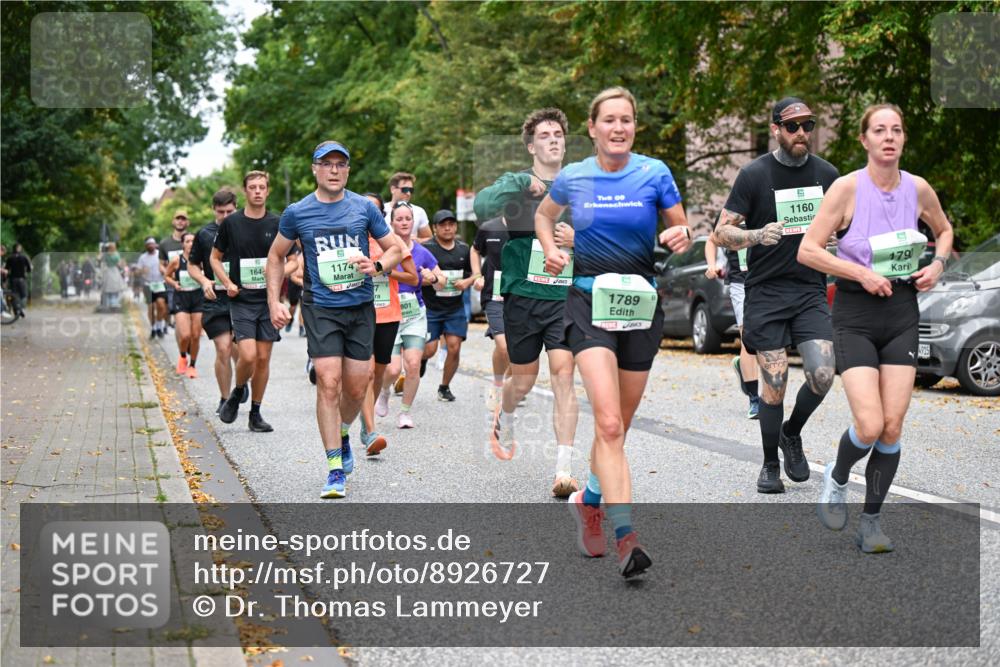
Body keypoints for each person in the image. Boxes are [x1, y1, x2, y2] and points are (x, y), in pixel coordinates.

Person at [537, 87, 691, 577]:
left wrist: (680, 235)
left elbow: (680, 228)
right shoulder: (574, 177)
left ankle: (590, 499)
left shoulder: (655, 173)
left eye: (626, 120)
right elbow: (544, 217)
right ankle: (627, 539)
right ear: (593, 126)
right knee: (607, 424)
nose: (618, 128)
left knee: (618, 427)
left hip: (640, 304)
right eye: (609, 120)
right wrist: (552, 249)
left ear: (634, 127)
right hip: (587, 302)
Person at [799, 104, 953, 553]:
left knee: (892, 425)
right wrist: (859, 272)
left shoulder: (918, 189)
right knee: (868, 424)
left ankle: (871, 522)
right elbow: (808, 250)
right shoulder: (846, 189)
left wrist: (939, 264)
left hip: (902, 310)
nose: (889, 137)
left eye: (897, 130)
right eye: (879, 130)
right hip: (855, 313)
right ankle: (838, 475)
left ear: (904, 140)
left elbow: (943, 231)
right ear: (864, 140)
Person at [713, 97, 840, 494]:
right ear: (775, 130)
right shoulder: (754, 175)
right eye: (792, 126)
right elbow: (721, 232)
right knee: (775, 382)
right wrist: (755, 235)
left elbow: (846, 226)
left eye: (807, 125)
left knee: (822, 373)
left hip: (809, 289)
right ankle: (769, 464)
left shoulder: (828, 175)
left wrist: (839, 240)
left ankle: (791, 433)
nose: (801, 133)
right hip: (766, 291)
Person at [267, 141, 402, 499]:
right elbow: (276, 256)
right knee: (329, 382)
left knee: (357, 388)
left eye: (340, 164)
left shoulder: (362, 208)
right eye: (326, 163)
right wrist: (275, 301)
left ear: (347, 171)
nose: (333, 170)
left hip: (359, 307)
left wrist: (375, 267)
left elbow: (396, 249)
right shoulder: (297, 212)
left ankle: (344, 431)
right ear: (314, 168)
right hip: (321, 307)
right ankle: (334, 469)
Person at [473, 107, 582, 496]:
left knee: (564, 376)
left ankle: (563, 470)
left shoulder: (581, 184)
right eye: (545, 134)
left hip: (566, 296)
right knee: (523, 380)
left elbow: (605, 236)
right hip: (523, 294)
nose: (554, 139)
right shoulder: (516, 182)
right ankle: (506, 409)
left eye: (559, 133)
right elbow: (483, 208)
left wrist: (576, 240)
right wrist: (522, 182)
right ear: (531, 144)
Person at [213, 171, 296, 432]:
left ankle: (255, 413)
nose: (258, 191)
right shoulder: (231, 224)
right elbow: (215, 258)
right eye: (253, 187)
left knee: (262, 359)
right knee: (247, 355)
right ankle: (238, 392)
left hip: (269, 302)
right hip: (242, 300)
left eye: (262, 187)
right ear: (246, 192)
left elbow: (294, 259)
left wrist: (278, 272)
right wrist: (227, 283)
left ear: (268, 191)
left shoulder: (278, 223)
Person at [358, 193, 418, 451]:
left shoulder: (390, 241)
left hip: (388, 313)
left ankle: (364, 419)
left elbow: (413, 277)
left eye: (373, 209)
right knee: (367, 372)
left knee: (381, 373)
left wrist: (383, 269)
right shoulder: (351, 239)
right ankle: (370, 430)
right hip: (359, 314)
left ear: (380, 214)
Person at [378, 202, 446, 428]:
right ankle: (385, 391)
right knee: (393, 369)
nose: (405, 222)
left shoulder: (422, 252)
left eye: (408, 218)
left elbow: (442, 282)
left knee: (414, 364)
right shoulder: (384, 250)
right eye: (400, 219)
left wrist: (433, 278)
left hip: (415, 315)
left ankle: (405, 412)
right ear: (392, 223)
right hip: (390, 314)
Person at [187, 190, 247, 414]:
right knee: (223, 348)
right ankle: (225, 398)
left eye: (229, 211)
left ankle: (242, 381)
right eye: (220, 212)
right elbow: (192, 265)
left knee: (242, 352)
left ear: (236, 208)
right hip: (215, 301)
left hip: (242, 299)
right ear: (213, 210)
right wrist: (204, 281)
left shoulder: (244, 228)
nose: (224, 216)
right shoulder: (204, 234)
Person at [422, 210, 476, 402]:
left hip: (454, 308)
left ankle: (444, 387)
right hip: (430, 308)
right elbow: (416, 277)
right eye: (443, 225)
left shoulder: (463, 248)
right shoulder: (426, 248)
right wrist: (435, 280)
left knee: (454, 347)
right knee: (429, 350)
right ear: (434, 228)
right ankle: (420, 361)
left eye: (451, 224)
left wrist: (466, 282)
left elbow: (473, 274)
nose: (447, 228)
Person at [705, 231, 760, 419]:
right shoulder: (732, 212)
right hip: (740, 282)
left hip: (768, 278)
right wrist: (712, 266)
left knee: (770, 340)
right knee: (748, 337)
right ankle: (755, 399)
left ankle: (743, 367)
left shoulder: (771, 205)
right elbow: (712, 240)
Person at [470, 215, 510, 413]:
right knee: (503, 346)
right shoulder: (489, 227)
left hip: (522, 296)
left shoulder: (534, 226)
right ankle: (498, 384)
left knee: (514, 346)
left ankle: (511, 385)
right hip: (494, 296)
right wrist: (477, 275)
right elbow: (475, 249)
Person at [164, 232, 204, 379]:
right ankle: (182, 357)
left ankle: (192, 365)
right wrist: (174, 283)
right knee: (185, 334)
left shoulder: (200, 260)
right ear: (183, 244)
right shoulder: (176, 260)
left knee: (195, 335)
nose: (190, 243)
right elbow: (166, 276)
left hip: (198, 298)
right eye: (187, 241)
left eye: (193, 241)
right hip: (182, 298)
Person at [160, 210, 191, 332]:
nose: (180, 221)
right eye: (178, 218)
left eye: (183, 219)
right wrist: (169, 274)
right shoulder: (165, 243)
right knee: (177, 315)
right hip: (173, 285)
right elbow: (161, 265)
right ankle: (182, 343)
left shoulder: (193, 240)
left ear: (187, 222)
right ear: (173, 221)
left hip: (191, 283)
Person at [383, 172, 432, 241]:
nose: (408, 193)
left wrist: (417, 240)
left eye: (411, 190)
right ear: (393, 189)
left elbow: (429, 239)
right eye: (405, 189)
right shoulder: (381, 210)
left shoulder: (419, 211)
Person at [137, 237, 168, 337]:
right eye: (148, 244)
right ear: (146, 246)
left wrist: (165, 270)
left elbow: (168, 265)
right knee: (151, 307)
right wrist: (142, 271)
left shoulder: (161, 254)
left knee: (161, 305)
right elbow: (137, 272)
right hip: (148, 284)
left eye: (152, 243)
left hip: (160, 283)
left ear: (155, 245)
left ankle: (159, 326)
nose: (151, 245)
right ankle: (153, 328)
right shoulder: (142, 258)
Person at [4, 243, 31, 317]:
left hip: (13, 279)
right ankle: (20, 309)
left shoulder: (10, 258)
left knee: (14, 295)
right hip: (22, 279)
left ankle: (16, 309)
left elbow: (6, 269)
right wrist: (25, 272)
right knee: (23, 295)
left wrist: (5, 279)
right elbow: (29, 269)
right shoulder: (24, 257)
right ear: (20, 249)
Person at [100, 242, 126, 310]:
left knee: (108, 288)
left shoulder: (105, 254)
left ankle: (108, 303)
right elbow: (119, 264)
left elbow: (99, 259)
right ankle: (114, 303)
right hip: (114, 271)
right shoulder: (116, 254)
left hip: (108, 271)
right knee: (115, 287)